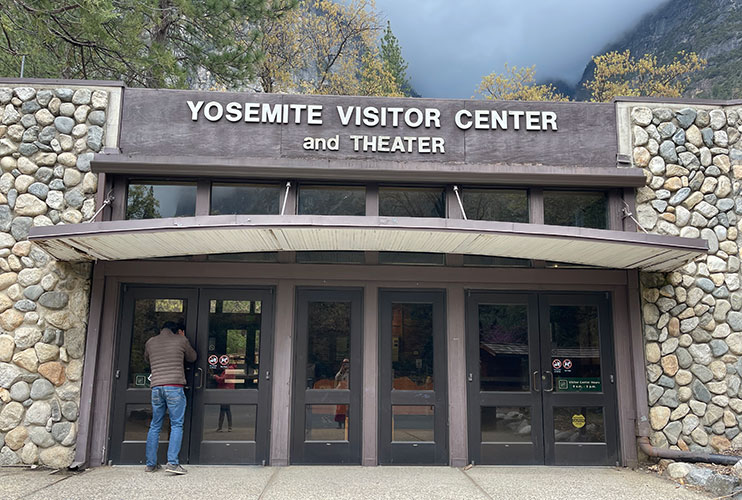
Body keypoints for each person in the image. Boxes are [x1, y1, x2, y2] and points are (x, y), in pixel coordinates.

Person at [144, 321, 196, 475]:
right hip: (174, 386)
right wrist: (183, 337)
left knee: (155, 425)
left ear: (162, 329)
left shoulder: (151, 342)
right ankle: (172, 463)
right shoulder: (181, 340)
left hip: (156, 387)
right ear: (177, 331)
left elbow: (147, 359)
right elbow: (192, 357)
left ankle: (150, 464)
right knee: (176, 424)